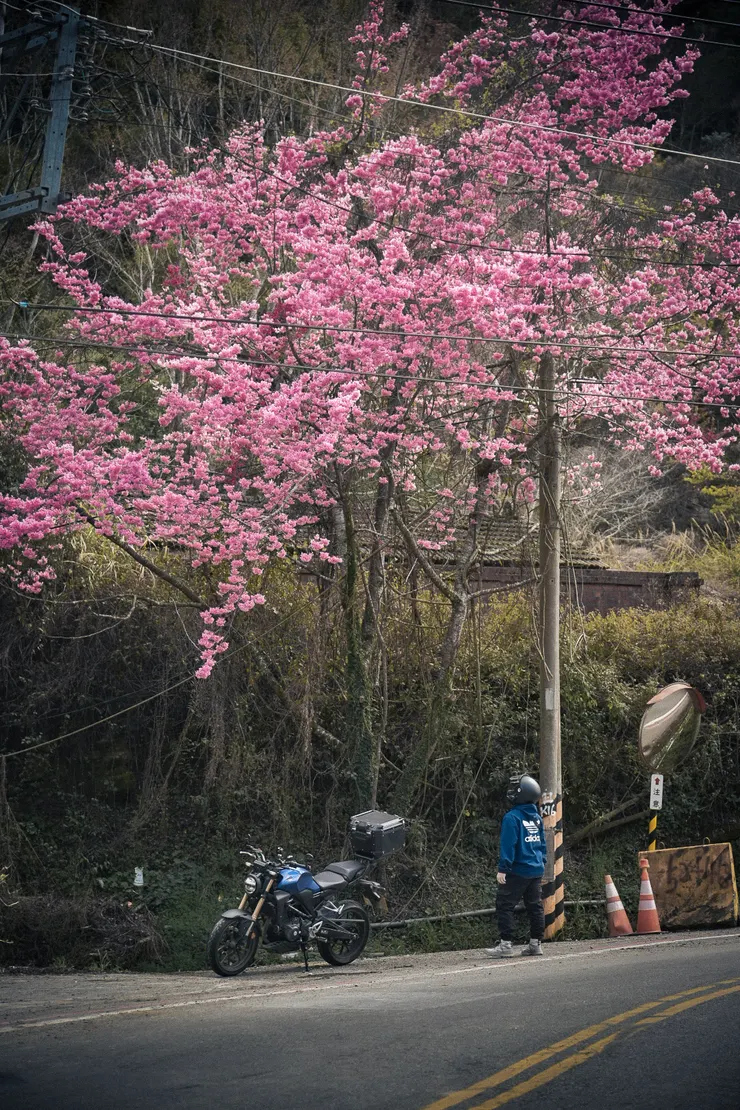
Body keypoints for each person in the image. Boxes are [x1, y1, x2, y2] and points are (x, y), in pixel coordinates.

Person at [486, 773, 546, 958]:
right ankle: (535, 944)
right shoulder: (536, 817)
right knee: (534, 906)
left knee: (504, 905)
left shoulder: (512, 818)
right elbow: (542, 844)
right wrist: (541, 861)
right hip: (535, 869)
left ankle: (506, 945)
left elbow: (508, 845)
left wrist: (503, 868)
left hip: (518, 870)